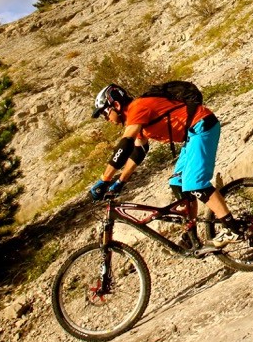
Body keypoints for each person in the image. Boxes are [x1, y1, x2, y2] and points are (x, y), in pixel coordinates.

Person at [88, 83, 243, 249]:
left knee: (195, 183)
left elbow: (124, 146)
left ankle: (233, 228)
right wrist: (120, 182)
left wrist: (104, 180)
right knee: (177, 183)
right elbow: (138, 152)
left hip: (202, 127)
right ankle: (191, 235)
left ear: (116, 105)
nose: (106, 118)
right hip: (192, 135)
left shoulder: (137, 108)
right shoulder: (135, 119)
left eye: (105, 112)